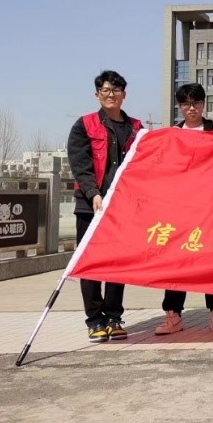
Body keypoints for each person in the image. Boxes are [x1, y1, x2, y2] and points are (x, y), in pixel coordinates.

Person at [66, 70, 143, 342]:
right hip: (91, 206)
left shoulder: (136, 128)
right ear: (97, 94)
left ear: (124, 94)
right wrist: (93, 193)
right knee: (90, 263)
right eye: (106, 90)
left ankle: (113, 317)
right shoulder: (84, 125)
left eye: (116, 90)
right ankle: (94, 319)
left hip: (122, 207)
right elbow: (80, 163)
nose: (112, 95)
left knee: (117, 264)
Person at [154, 83, 213, 335]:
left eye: (196, 103)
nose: (191, 108)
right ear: (180, 107)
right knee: (176, 261)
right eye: (186, 104)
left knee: (212, 259)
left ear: (203, 104)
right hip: (179, 209)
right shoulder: (172, 135)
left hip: (211, 208)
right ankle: (173, 314)